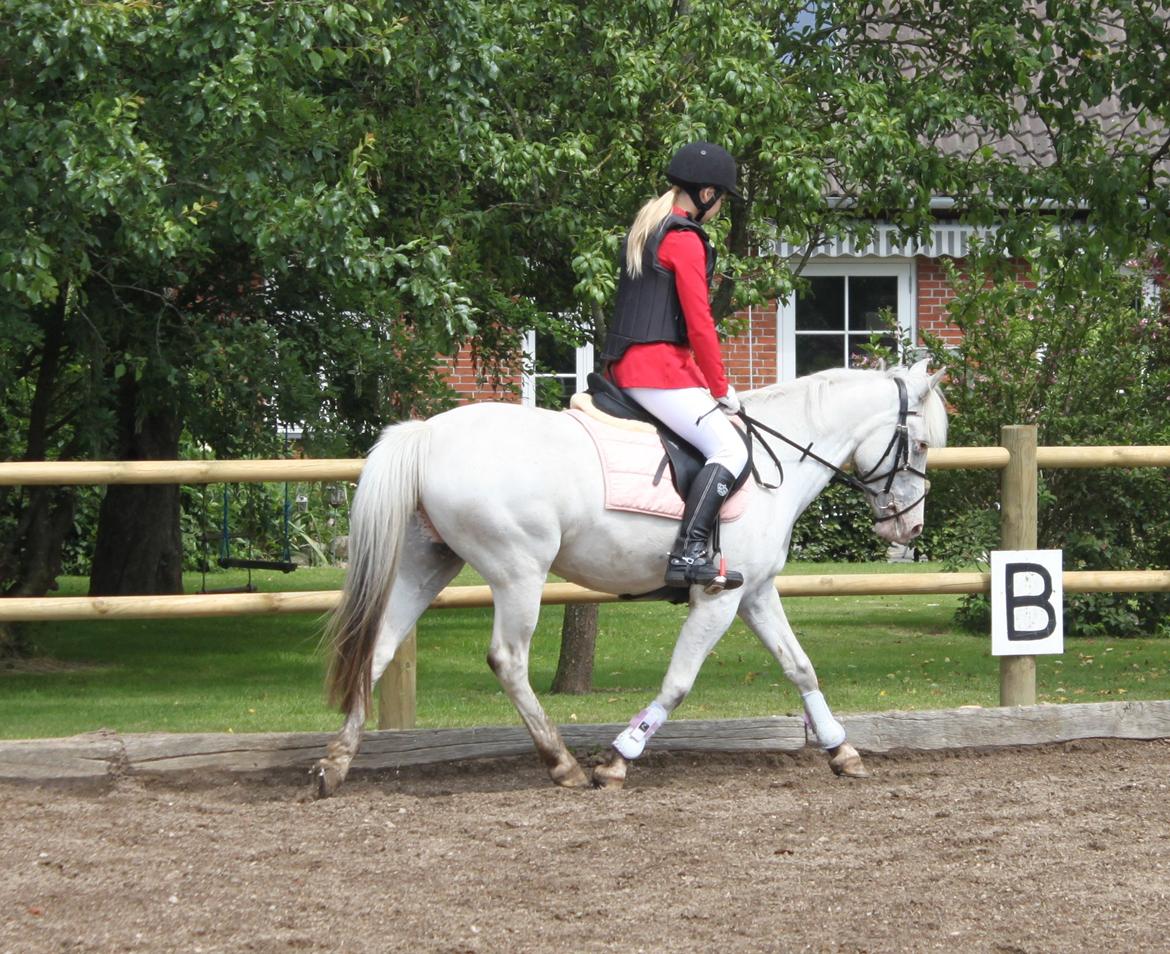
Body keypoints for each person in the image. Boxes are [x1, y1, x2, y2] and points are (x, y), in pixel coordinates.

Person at [600, 142, 749, 592]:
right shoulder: (683, 239)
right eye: (720, 199)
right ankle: (688, 551)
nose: (720, 208)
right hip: (656, 372)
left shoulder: (647, 229)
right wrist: (719, 387)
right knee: (732, 450)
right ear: (706, 194)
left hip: (625, 367)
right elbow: (699, 323)